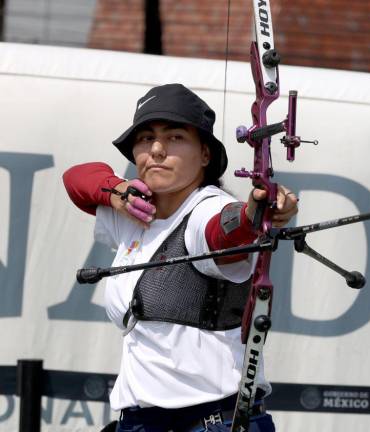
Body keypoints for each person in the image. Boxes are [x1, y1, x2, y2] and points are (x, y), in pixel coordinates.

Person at [62, 83, 297, 432]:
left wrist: (255, 211)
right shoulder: (134, 211)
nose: (156, 150)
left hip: (210, 421)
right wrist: (116, 191)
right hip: (142, 420)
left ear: (204, 155)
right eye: (145, 139)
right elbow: (76, 179)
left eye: (174, 137)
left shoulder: (206, 209)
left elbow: (224, 231)